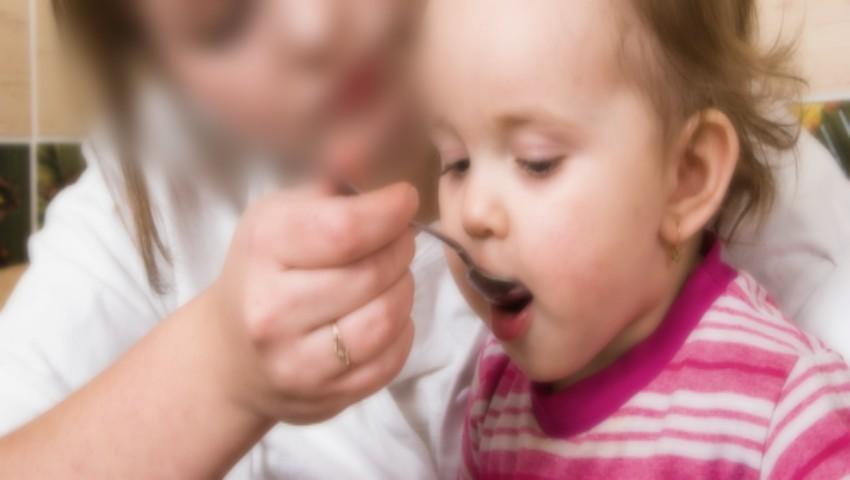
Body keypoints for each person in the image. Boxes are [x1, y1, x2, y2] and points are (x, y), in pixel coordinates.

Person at [0, 0, 847, 478]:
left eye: (539, 161)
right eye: (224, 26)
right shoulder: (157, 192)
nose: (313, 28)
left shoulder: (715, 163)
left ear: (688, 176)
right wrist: (220, 373)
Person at [416, 0, 850, 477]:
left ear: (686, 178)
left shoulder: (784, 411)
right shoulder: (496, 389)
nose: (473, 212)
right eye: (457, 162)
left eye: (537, 162)